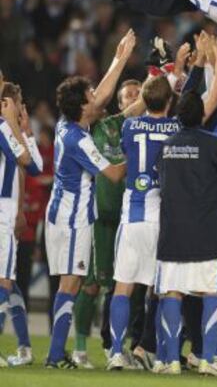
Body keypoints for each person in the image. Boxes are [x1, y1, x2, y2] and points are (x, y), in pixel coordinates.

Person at [44, 31, 135, 369]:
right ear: (85, 105)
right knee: (72, 285)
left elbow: (101, 95)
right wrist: (142, 156)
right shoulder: (80, 142)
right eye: (90, 95)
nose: (97, 96)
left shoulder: (66, 126)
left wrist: (119, 57)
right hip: (73, 220)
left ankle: (57, 352)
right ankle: (56, 356)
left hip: (61, 216)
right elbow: (113, 175)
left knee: (70, 285)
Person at [154, 91, 217, 376]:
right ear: (202, 115)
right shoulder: (213, 144)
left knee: (172, 293)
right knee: (211, 293)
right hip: (207, 231)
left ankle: (171, 360)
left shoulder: (167, 145)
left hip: (172, 231)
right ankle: (208, 359)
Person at [107, 76, 180, 371]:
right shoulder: (176, 128)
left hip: (132, 215)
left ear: (144, 100)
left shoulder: (129, 125)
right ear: (170, 101)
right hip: (162, 218)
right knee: (163, 290)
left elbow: (124, 134)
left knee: (123, 287)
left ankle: (115, 352)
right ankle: (164, 357)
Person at [72, 79, 142, 368]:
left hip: (128, 216)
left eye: (139, 93)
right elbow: (143, 102)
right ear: (120, 103)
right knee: (92, 285)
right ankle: (79, 349)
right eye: (129, 96)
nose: (135, 99)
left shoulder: (139, 130)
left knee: (128, 286)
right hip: (101, 216)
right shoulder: (98, 127)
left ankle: (117, 346)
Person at [0, 85, 40, 367]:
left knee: (9, 283)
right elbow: (30, 161)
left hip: (9, 206)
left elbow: (22, 168)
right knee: (4, 281)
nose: (22, 108)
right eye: (19, 103)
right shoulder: (4, 127)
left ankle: (24, 347)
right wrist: (19, 126)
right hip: (2, 209)